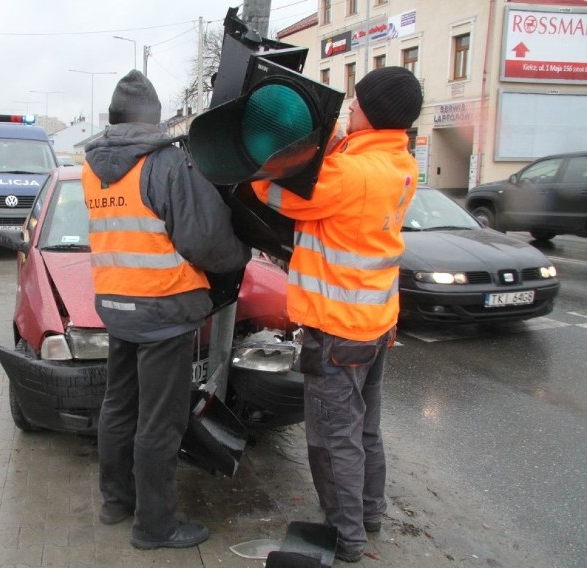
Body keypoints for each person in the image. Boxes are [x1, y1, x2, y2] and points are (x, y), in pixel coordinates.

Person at [250, 66, 423, 563]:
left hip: (336, 330)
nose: (348, 106)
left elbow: (274, 194)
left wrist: (272, 152)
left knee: (332, 439)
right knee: (365, 427)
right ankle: (369, 511)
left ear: (372, 112)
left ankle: (346, 536)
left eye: (355, 101)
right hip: (374, 324)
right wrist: (337, 143)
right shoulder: (400, 164)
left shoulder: (350, 175)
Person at [81, 70, 250, 550]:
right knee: (160, 423)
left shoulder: (93, 166)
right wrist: (239, 256)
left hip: (116, 307)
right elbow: (205, 238)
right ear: (154, 121)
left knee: (118, 408)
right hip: (163, 311)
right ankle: (154, 527)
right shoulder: (166, 164)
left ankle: (116, 502)